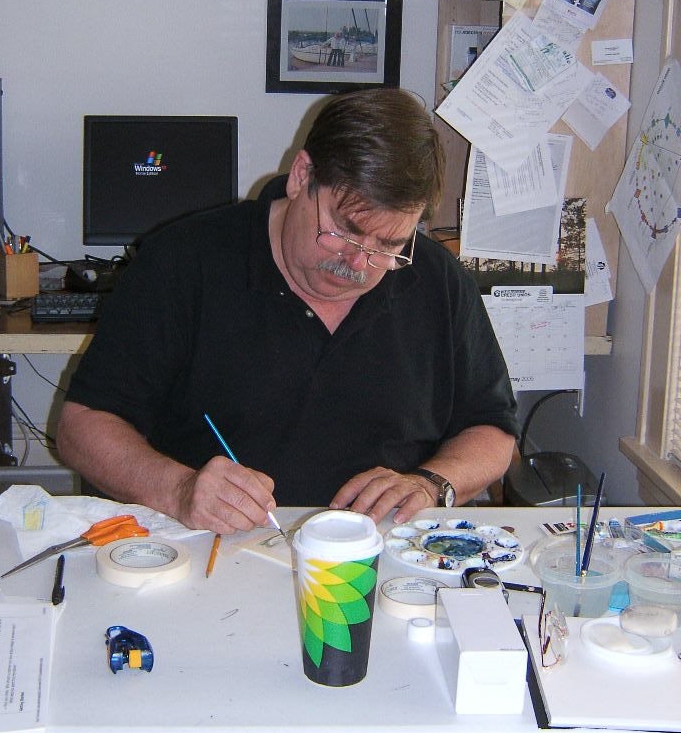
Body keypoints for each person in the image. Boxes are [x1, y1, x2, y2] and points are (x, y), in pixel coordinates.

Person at [56, 88, 518, 535]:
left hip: (381, 554)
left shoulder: (438, 281)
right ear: (301, 176)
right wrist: (179, 489)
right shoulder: (183, 261)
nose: (359, 264)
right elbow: (81, 428)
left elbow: (493, 431)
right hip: (210, 549)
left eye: (389, 245)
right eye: (344, 232)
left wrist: (432, 483)